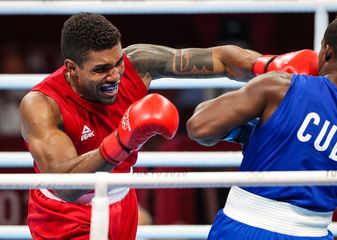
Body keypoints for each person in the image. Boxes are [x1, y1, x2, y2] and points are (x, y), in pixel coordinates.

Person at [19, 12, 270, 240]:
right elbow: (68, 188)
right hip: (65, 216)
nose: (116, 75)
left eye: (117, 62)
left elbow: (221, 59)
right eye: (101, 69)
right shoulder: (42, 105)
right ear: (72, 68)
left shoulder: (137, 63)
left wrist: (271, 66)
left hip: (122, 202)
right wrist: (122, 141)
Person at [187, 7, 337, 240]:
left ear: (327, 53)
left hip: (242, 227)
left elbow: (198, 127)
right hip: (311, 234)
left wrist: (246, 133)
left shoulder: (280, 87)